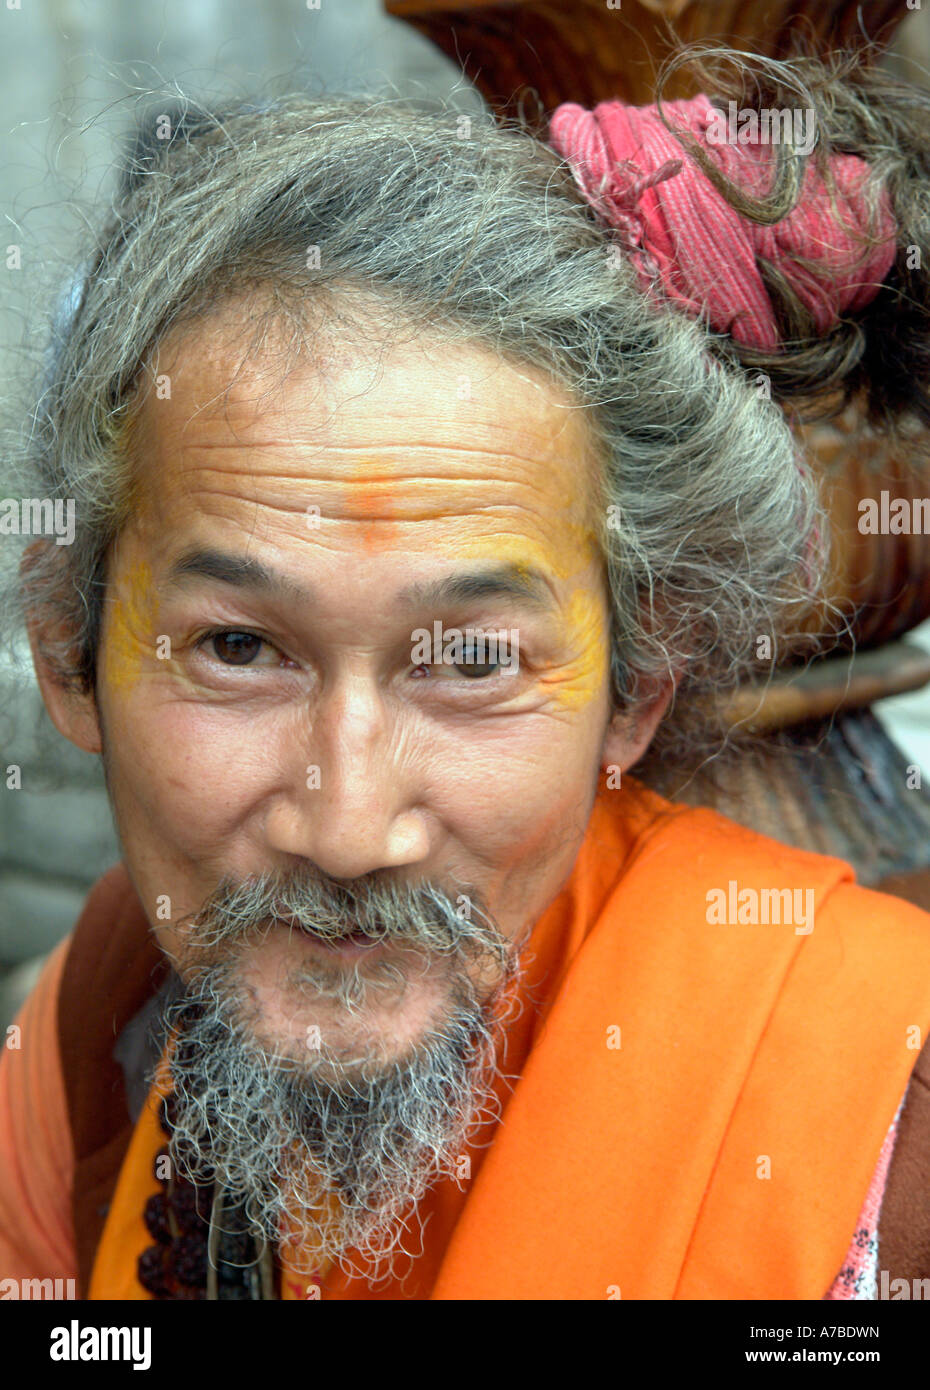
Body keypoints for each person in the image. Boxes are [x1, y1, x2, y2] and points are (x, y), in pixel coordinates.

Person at [2, 44, 930, 1301]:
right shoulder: (96, 1019)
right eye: (239, 647)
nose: (346, 827)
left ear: (637, 689)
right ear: (70, 652)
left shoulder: (888, 1120)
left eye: (473, 661)